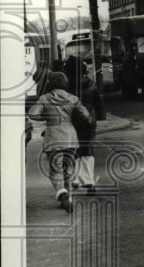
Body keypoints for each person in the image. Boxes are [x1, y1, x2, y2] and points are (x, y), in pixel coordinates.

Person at [27, 71, 93, 212]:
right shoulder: (73, 98)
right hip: (70, 136)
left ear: (50, 84)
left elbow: (32, 113)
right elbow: (86, 115)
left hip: (53, 137)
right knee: (68, 169)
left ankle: (62, 194)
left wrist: (46, 118)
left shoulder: (45, 98)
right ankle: (67, 196)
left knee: (55, 169)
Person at [64, 55, 99, 190]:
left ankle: (76, 178)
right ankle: (89, 180)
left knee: (73, 150)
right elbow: (98, 104)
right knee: (87, 149)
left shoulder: (66, 87)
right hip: (88, 121)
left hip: (70, 121)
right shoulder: (91, 84)